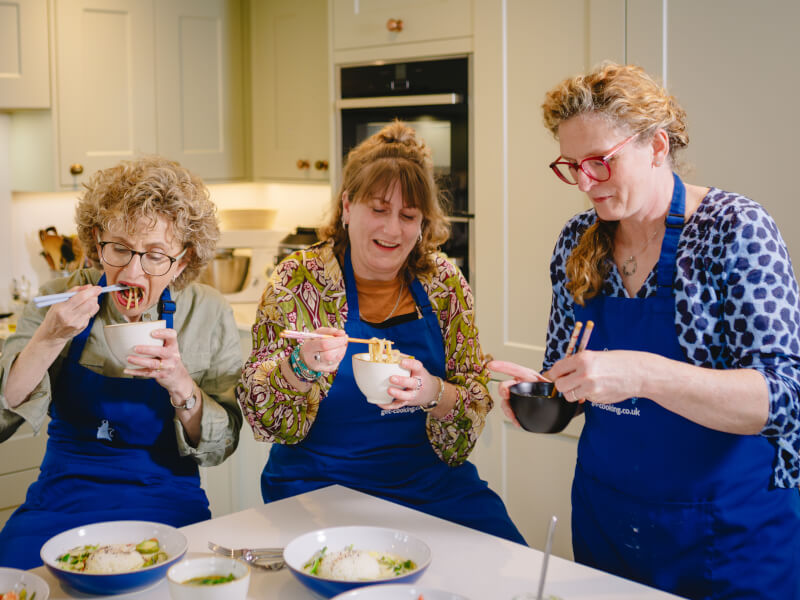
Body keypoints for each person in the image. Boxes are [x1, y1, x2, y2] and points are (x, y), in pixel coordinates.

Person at [489, 63, 800, 599]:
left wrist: (643, 373)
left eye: (600, 163)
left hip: (726, 537)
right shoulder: (577, 240)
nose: (586, 183)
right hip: (607, 522)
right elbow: (574, 384)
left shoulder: (734, 230)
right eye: (572, 166)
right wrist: (539, 399)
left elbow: (784, 399)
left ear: (657, 146)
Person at [237, 121, 525, 544]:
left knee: (509, 565)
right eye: (378, 209)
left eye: (409, 216)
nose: (393, 230)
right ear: (348, 206)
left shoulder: (444, 284)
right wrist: (301, 366)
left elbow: (472, 410)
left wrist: (432, 393)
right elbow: (264, 419)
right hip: (320, 491)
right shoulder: (299, 281)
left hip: (431, 488)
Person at [0, 156, 244, 569]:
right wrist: (50, 337)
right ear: (98, 243)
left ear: (182, 260)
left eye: (154, 255)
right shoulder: (58, 298)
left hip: (166, 501)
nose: (132, 271)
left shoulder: (206, 311)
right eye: (120, 249)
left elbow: (223, 445)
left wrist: (181, 385)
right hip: (61, 500)